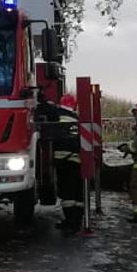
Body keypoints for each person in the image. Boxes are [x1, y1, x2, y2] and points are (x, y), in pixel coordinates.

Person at [37, 93, 85, 231]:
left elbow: (44, 109)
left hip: (63, 161)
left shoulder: (58, 113)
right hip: (77, 160)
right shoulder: (76, 118)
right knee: (77, 192)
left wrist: (42, 100)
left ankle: (69, 223)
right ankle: (77, 221)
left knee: (67, 192)